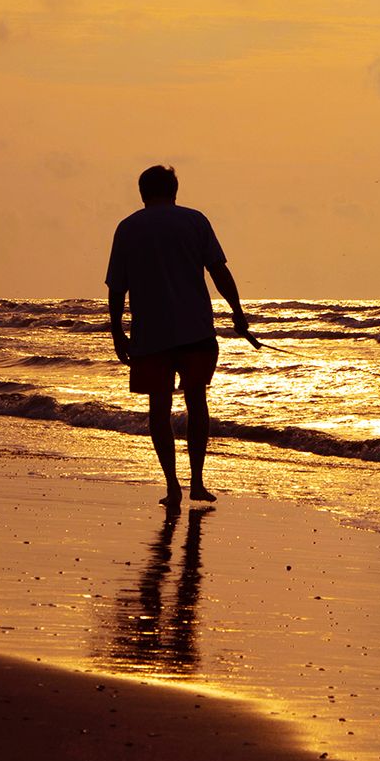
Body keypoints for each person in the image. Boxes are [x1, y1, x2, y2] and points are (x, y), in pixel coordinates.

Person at [106, 164, 259, 508]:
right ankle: (198, 483)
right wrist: (238, 314)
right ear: (174, 190)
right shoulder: (195, 221)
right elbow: (219, 271)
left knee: (159, 409)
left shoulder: (128, 228)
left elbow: (117, 288)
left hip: (150, 334)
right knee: (197, 403)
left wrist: (117, 332)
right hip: (196, 330)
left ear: (142, 192)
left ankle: (172, 486)